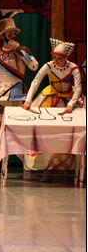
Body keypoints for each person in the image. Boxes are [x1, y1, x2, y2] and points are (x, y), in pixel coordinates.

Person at [0, 17, 39, 178]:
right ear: (2, 36)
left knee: (23, 132)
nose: (12, 35)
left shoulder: (22, 51)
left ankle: (28, 168)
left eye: (13, 33)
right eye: (8, 33)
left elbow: (34, 66)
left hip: (20, 97)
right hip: (1, 97)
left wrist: (20, 50)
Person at [20, 38, 83, 173]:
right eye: (54, 57)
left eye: (59, 58)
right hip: (51, 97)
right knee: (45, 129)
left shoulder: (73, 68)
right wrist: (28, 100)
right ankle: (45, 167)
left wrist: (71, 104)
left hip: (69, 98)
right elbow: (35, 82)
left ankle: (72, 166)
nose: (56, 61)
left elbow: (78, 88)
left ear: (66, 57)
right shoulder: (48, 66)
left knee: (72, 130)